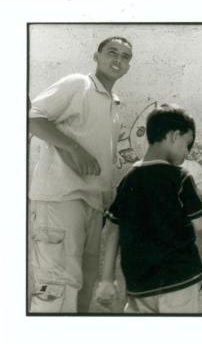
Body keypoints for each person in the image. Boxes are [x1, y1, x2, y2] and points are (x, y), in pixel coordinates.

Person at [28, 36, 133, 313]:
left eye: (125, 57)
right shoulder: (79, 84)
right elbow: (33, 117)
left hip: (93, 205)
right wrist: (74, 148)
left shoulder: (114, 103)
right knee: (57, 285)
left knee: (83, 287)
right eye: (112, 52)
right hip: (62, 198)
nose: (118, 60)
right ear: (96, 56)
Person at [96, 107, 202, 313]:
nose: (187, 153)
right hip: (181, 280)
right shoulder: (181, 177)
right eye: (187, 144)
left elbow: (113, 231)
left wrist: (107, 279)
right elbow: (200, 224)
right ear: (174, 136)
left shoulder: (128, 180)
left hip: (140, 287)